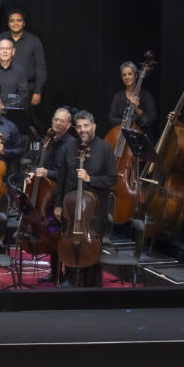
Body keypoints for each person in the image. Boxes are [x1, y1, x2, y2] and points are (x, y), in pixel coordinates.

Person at [53, 110, 116, 287]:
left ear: (93, 126)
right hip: (70, 209)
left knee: (92, 247)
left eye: (86, 126)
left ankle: (91, 283)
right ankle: (71, 278)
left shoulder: (105, 148)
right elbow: (61, 179)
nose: (83, 130)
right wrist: (58, 205)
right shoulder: (69, 147)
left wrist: (91, 179)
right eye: (79, 126)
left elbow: (112, 179)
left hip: (95, 211)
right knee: (70, 242)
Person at [26, 107, 78, 283]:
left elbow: (69, 172)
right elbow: (38, 163)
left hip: (62, 195)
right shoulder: (47, 140)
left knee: (64, 237)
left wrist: (48, 172)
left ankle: (69, 275)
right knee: (54, 236)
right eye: (55, 119)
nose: (57, 123)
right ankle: (55, 272)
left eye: (61, 120)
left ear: (69, 124)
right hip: (48, 196)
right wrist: (34, 172)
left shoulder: (71, 144)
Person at [0, 9, 47, 108]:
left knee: (21, 119)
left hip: (25, 89)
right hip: (1, 88)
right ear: (8, 23)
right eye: (12, 21)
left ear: (24, 23)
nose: (15, 23)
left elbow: (41, 68)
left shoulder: (34, 41)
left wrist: (38, 91)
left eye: (19, 20)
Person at [108, 60, 157, 132]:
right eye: (124, 75)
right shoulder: (117, 96)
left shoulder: (146, 96)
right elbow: (111, 118)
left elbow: (151, 120)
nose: (126, 77)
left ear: (136, 75)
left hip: (140, 138)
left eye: (130, 74)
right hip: (121, 134)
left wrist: (137, 109)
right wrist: (126, 122)